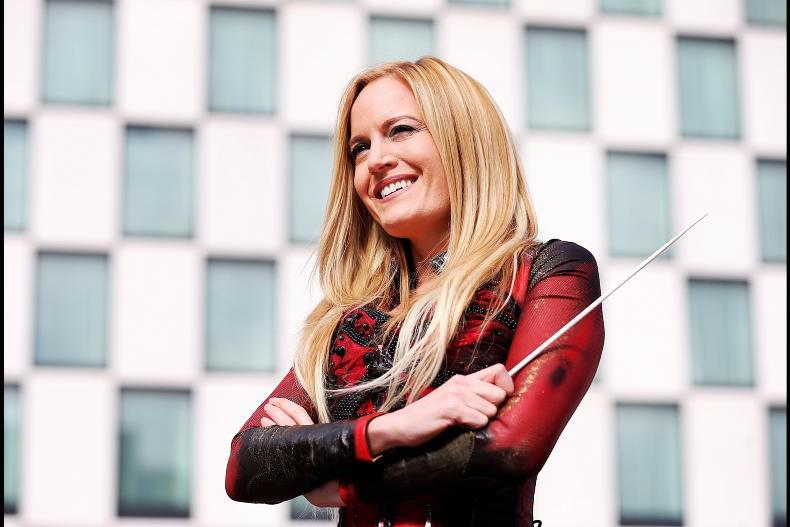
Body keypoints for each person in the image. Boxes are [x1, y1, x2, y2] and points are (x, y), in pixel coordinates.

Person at [225, 56, 605, 526]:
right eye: (359, 148)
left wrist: (338, 483)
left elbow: (509, 448)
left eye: (401, 130)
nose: (375, 160)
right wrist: (395, 428)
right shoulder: (347, 316)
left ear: (464, 139)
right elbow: (245, 466)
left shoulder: (550, 272)